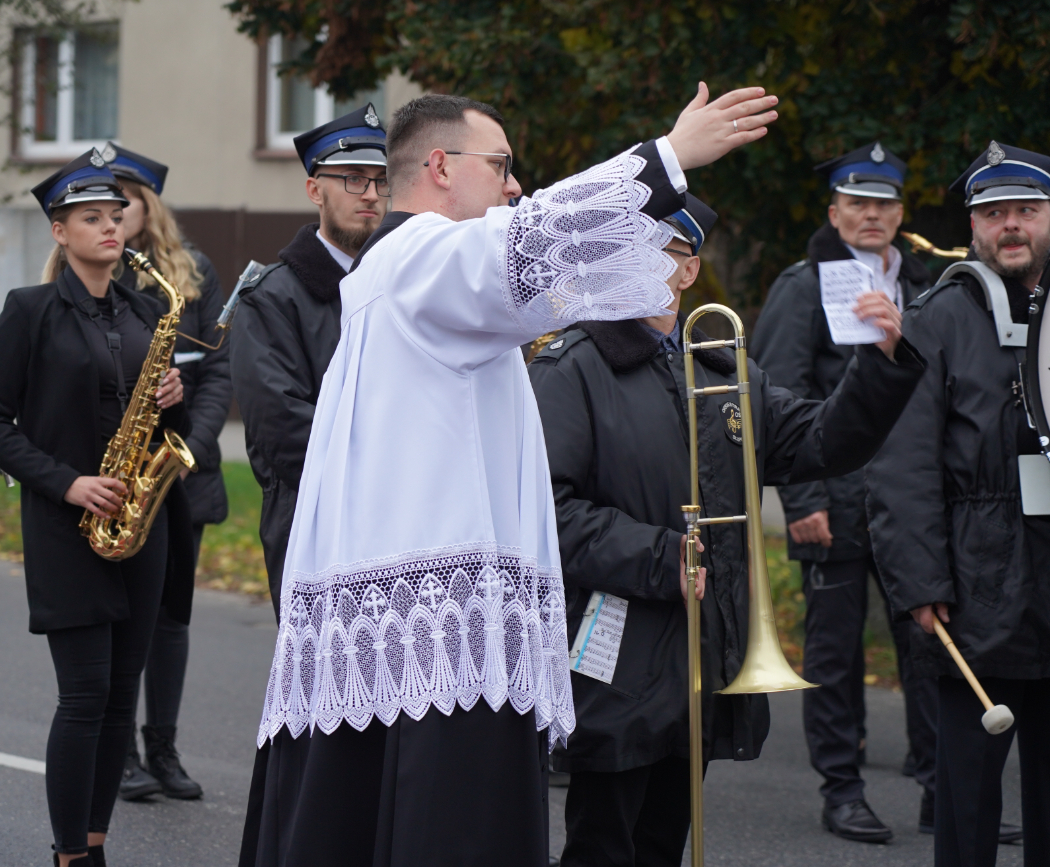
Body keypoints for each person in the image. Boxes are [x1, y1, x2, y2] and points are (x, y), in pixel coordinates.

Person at [237, 85, 782, 867]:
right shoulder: (419, 255)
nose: (514, 184)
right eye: (500, 164)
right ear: (438, 164)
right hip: (436, 622)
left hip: (417, 613)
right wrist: (667, 158)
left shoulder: (411, 275)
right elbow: (532, 240)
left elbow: (534, 263)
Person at [528, 194, 923, 866]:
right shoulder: (572, 367)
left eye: (660, 252)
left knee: (662, 840)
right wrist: (662, 556)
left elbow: (822, 441)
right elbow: (547, 512)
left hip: (702, 647)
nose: (637, 264)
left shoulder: (722, 370)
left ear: (688, 272)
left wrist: (879, 366)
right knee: (603, 843)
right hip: (613, 645)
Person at [0, 150, 191, 867]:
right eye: (90, 217)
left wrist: (166, 403)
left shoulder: (146, 310)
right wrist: (66, 483)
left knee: (122, 697)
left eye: (115, 215)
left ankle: (95, 845)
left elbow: (138, 409)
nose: (110, 227)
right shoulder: (29, 311)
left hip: (138, 524)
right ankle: (69, 852)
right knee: (85, 694)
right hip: (69, 523)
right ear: (59, 231)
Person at [866, 140, 1050, 867]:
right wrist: (921, 586)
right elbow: (901, 463)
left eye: (1027, 211)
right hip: (972, 593)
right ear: (973, 225)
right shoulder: (935, 317)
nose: (1011, 225)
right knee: (967, 802)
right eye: (995, 213)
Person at [750, 142, 937, 843]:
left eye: (884, 203)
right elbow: (779, 396)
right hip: (836, 497)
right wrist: (802, 502)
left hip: (913, 500)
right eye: (857, 202)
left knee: (926, 642)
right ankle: (842, 789)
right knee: (834, 651)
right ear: (834, 211)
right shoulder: (805, 284)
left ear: (900, 212)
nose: (871, 214)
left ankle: (937, 783)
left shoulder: (924, 285)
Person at [91, 144, 226, 803]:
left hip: (176, 469)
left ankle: (163, 747)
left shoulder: (191, 273)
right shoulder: (92, 269)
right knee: (123, 614)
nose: (116, 214)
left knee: (173, 616)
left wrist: (192, 446)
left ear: (150, 206)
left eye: (127, 202)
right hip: (117, 470)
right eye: (106, 204)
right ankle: (117, 753)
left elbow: (219, 373)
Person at [230, 103, 388, 619]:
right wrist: (389, 469)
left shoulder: (401, 285)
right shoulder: (273, 296)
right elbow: (281, 427)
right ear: (314, 190)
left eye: (381, 181)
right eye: (352, 179)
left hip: (403, 526)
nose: (370, 194)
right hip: (318, 523)